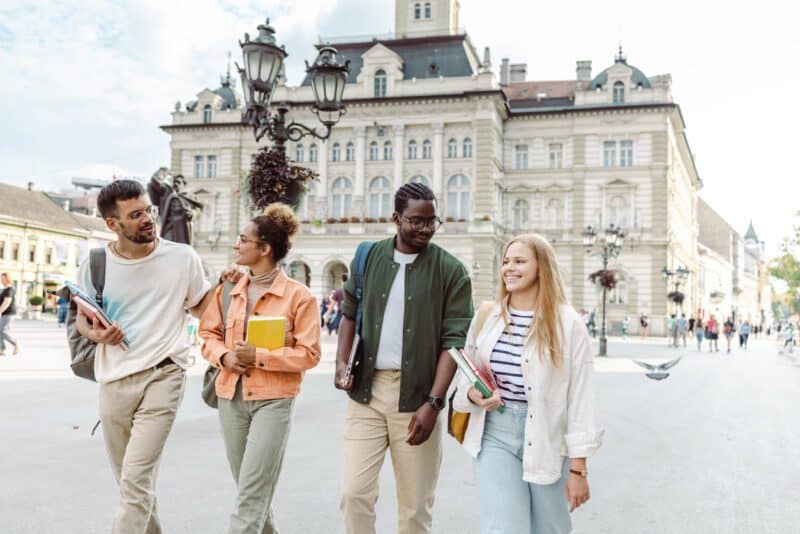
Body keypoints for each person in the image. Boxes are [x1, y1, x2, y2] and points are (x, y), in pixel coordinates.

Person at [74, 180, 217, 533]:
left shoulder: (182, 257)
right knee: (130, 483)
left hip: (164, 374)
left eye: (148, 210)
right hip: (113, 380)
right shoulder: (95, 262)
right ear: (113, 224)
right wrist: (97, 333)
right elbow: (82, 318)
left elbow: (200, 306)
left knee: (135, 480)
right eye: (135, 215)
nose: (147, 219)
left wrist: (230, 289)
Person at [334, 183, 473, 534]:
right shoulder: (368, 257)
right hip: (366, 394)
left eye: (432, 221)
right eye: (416, 221)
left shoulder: (451, 271)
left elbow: (454, 343)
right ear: (396, 218)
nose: (426, 229)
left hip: (417, 398)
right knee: (353, 494)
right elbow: (349, 313)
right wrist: (341, 363)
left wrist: (434, 402)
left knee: (414, 508)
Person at [453, 233, 603, 534]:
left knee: (550, 529)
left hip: (548, 436)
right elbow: (465, 379)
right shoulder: (487, 317)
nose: (509, 267)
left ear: (541, 268)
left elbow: (581, 400)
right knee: (504, 528)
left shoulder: (568, 324)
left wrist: (578, 468)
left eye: (520, 261)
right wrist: (474, 394)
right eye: (506, 261)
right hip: (495, 433)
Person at [199, 204, 321, 534]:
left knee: (251, 493)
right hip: (230, 398)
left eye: (243, 239)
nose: (237, 244)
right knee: (251, 490)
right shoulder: (228, 289)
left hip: (274, 400)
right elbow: (207, 334)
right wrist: (225, 357)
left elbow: (309, 355)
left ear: (264, 248)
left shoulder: (300, 297)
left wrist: (260, 356)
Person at [0, 273, 20, 356]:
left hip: (9, 313)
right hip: (5, 313)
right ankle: (1, 348)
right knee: (1, 330)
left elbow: (7, 302)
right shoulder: (5, 289)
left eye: (3, 278)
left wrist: (0, 311)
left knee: (2, 330)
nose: (1, 280)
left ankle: (16, 344)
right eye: (1, 278)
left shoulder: (10, 289)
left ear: (8, 279)